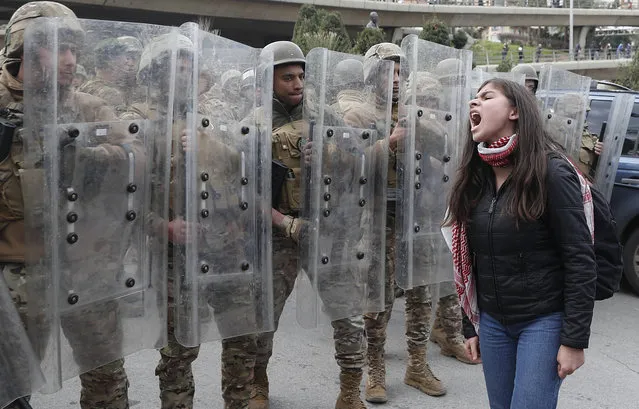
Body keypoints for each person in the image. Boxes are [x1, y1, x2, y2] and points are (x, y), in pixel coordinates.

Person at [0, 2, 134, 408]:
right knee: (10, 388)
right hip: (15, 274)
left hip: (85, 267)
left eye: (74, 49)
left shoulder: (89, 107)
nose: (71, 60)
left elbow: (136, 155)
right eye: (58, 48)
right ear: (23, 48)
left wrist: (87, 156)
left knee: (107, 382)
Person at [446, 78, 596, 409]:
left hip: (543, 321)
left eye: (486, 97)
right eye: (473, 98)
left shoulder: (551, 173)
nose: (474, 103)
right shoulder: (474, 179)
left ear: (515, 110)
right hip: (494, 322)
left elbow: (580, 259)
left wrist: (573, 341)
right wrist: (470, 325)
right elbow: (468, 261)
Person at [120, 33, 201, 409]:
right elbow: (122, 196)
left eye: (189, 64)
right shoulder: (134, 120)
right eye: (175, 65)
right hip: (159, 249)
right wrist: (162, 226)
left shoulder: (199, 117)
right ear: (154, 73)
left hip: (203, 247)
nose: (185, 72)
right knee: (177, 341)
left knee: (188, 340)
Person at [78, 36, 143, 115]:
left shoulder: (86, 85)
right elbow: (120, 126)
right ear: (110, 61)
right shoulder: (111, 94)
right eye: (124, 56)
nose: (127, 61)